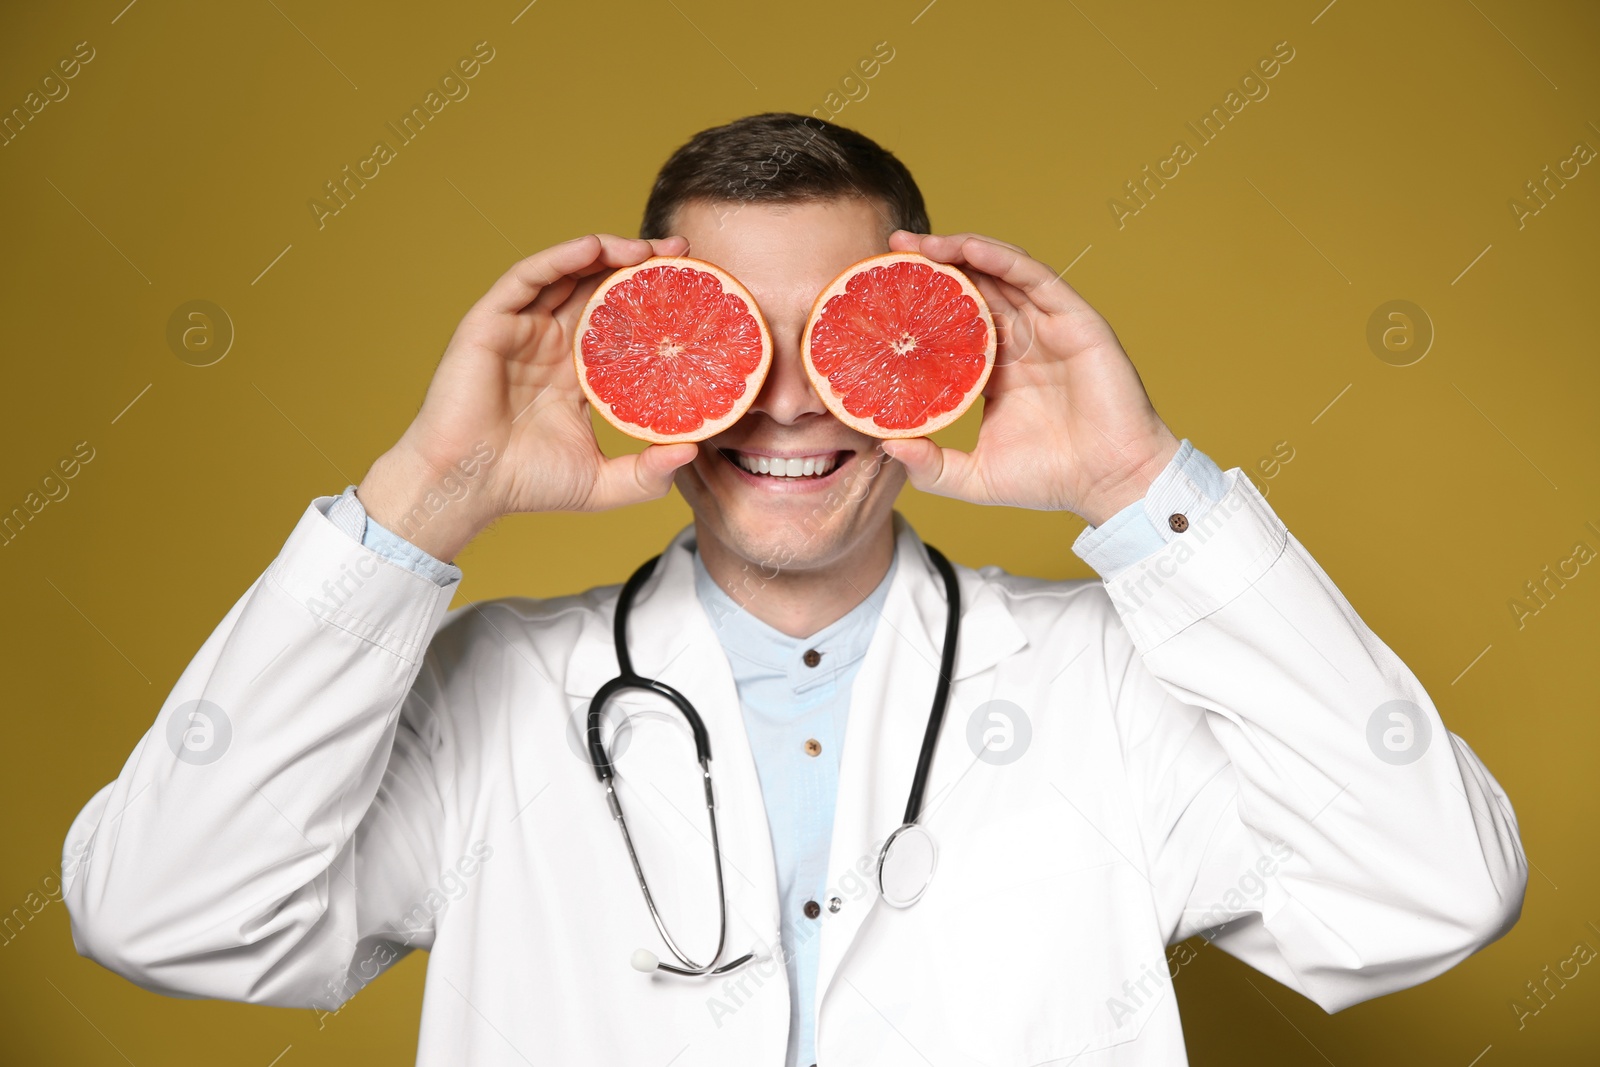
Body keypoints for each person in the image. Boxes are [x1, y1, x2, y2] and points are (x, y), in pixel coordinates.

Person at [62, 112, 1526, 1067]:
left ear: (936, 343)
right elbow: (166, 914)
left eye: (845, 337)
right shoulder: (496, 697)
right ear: (637, 363)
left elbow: (1428, 895)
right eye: (723, 341)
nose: (785, 404)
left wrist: (1137, 487)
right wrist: (422, 501)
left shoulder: (1112, 689)